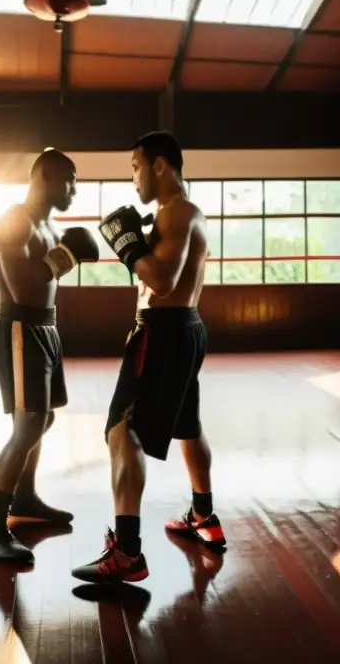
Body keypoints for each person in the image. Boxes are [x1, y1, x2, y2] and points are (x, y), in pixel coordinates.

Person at [72, 131, 226, 584]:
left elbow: (160, 281)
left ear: (161, 165)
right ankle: (203, 515)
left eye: (136, 166)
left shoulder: (179, 213)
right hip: (183, 328)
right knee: (187, 425)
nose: (134, 176)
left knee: (124, 432)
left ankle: (127, 551)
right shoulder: (175, 213)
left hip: (164, 331)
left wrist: (130, 248)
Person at [0, 148, 101, 564]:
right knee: (27, 425)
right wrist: (68, 255)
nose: (74, 191)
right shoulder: (15, 221)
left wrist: (64, 253)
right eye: (71, 181)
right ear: (46, 176)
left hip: (44, 327)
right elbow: (23, 289)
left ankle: (24, 498)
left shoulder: (47, 224)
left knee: (42, 418)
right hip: (19, 325)